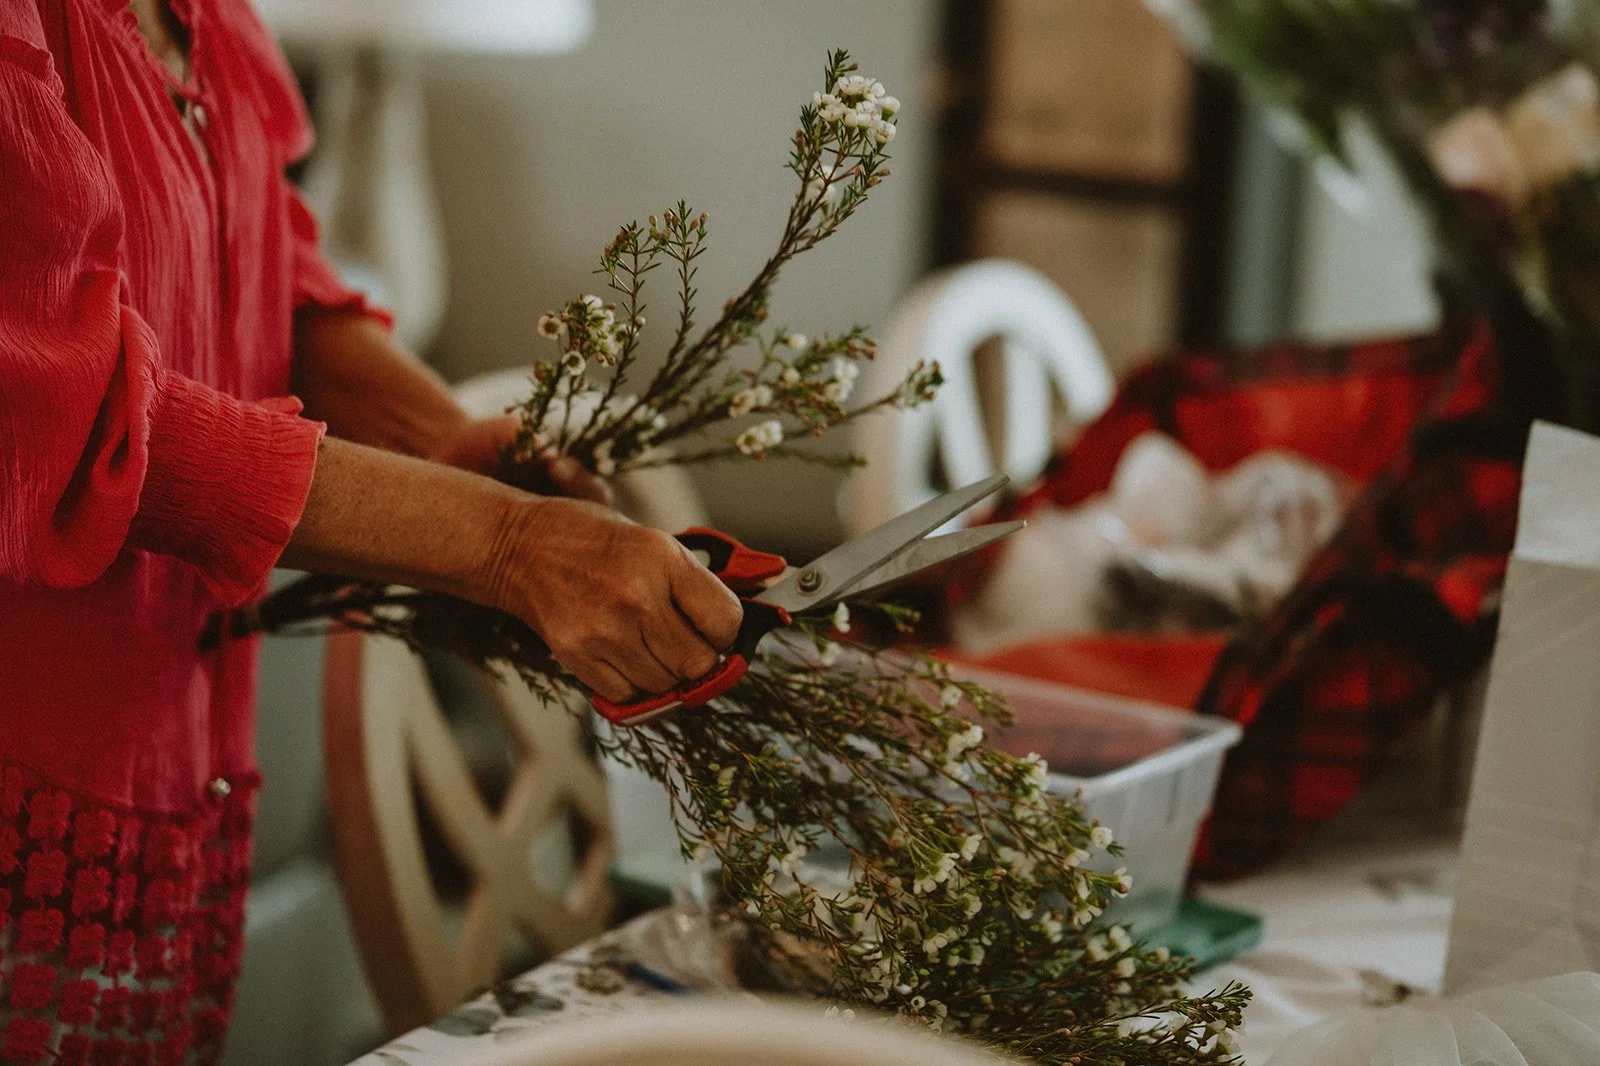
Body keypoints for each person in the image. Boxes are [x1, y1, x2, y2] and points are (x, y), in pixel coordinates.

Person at [0, 0, 743, 1060]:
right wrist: (503, 543)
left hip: (170, 764)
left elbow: (265, 269)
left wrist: (435, 434)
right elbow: (65, 417)